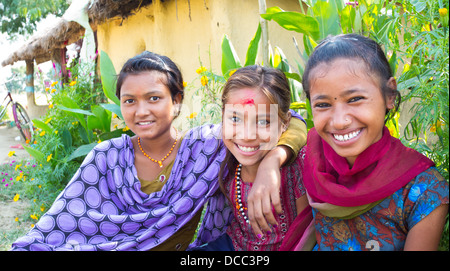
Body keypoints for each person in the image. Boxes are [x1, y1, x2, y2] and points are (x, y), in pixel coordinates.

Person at [11, 51, 307, 251]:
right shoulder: (106, 157)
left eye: (154, 98)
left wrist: (273, 161)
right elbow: (60, 223)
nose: (141, 111)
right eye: (129, 101)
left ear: (177, 101)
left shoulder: (206, 147)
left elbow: (293, 122)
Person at [281, 34, 449, 251]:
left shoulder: (423, 190)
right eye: (323, 104)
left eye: (355, 99)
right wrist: (272, 160)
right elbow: (284, 122)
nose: (340, 121)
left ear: (389, 95)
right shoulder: (310, 157)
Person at [190, 65, 314, 251]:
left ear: (285, 123)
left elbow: (306, 232)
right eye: (235, 119)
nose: (247, 135)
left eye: (263, 121)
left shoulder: (297, 165)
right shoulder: (216, 155)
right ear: (222, 117)